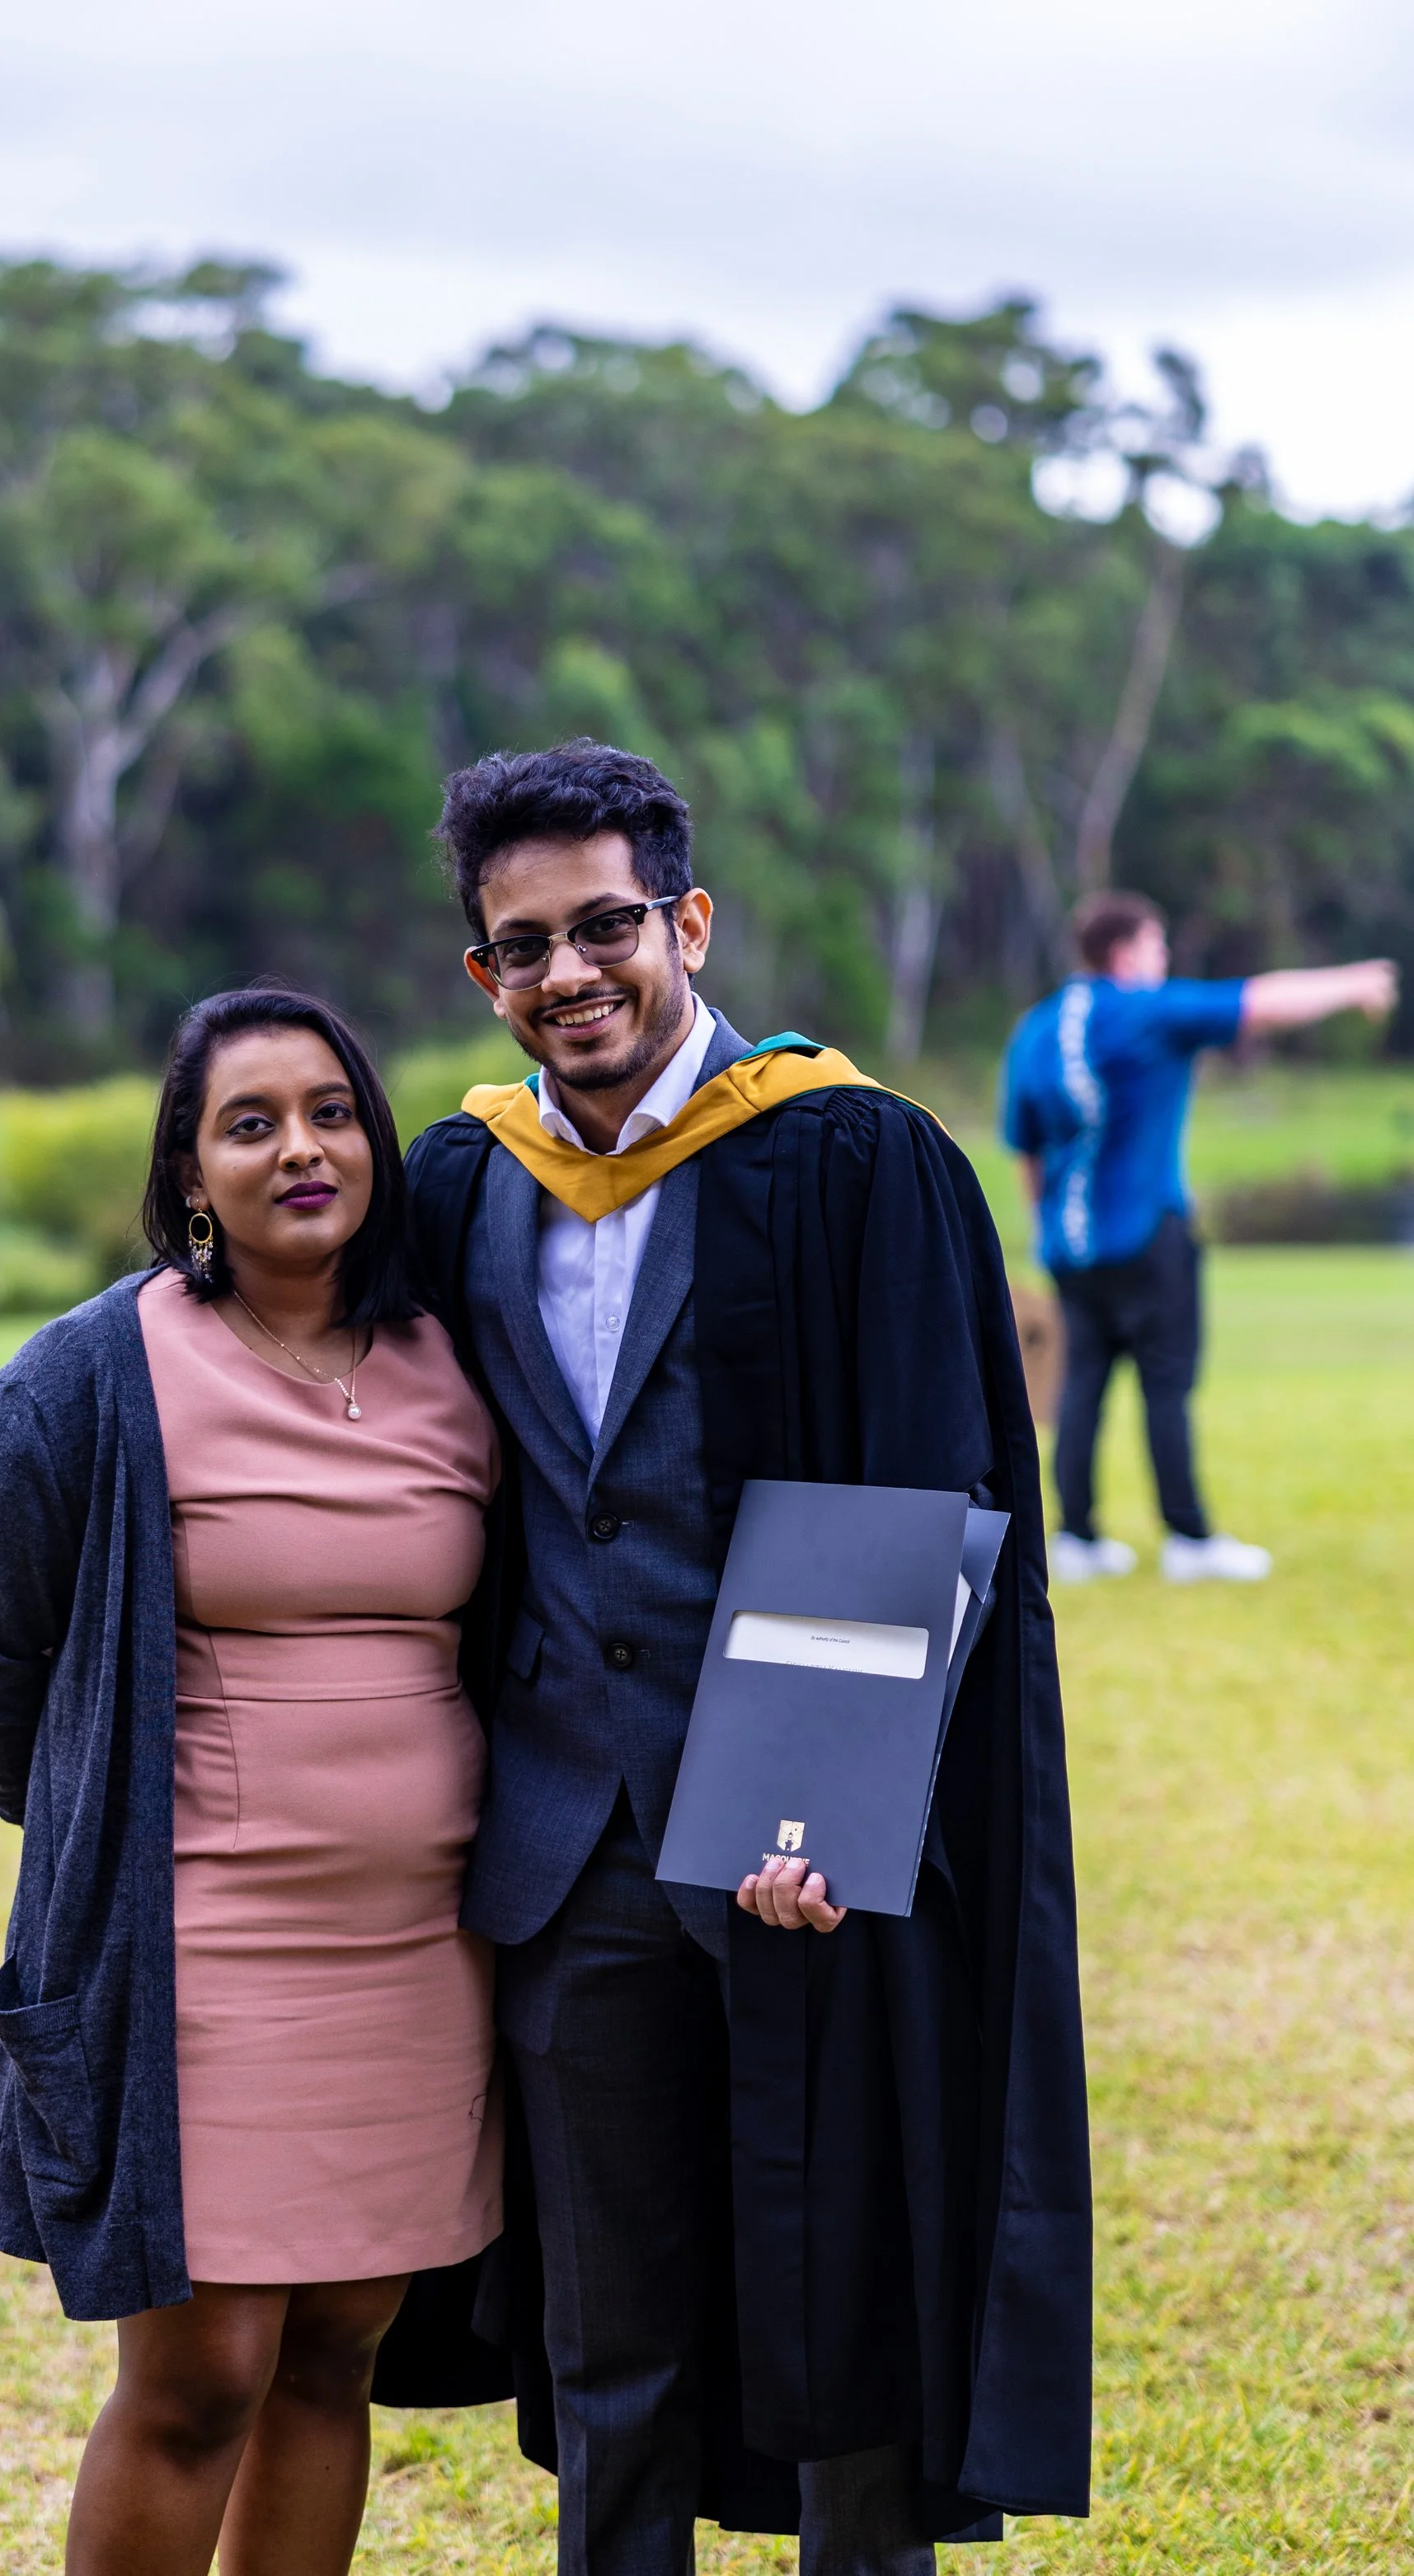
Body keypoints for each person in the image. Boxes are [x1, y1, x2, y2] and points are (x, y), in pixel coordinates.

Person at [404, 741, 1090, 2573]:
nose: (569, 972)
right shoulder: (464, 1177)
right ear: (482, 972)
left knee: (836, 2307)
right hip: (567, 1849)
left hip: (805, 1853)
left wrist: (819, 1809)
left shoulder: (849, 1154)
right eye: (521, 941)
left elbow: (916, 1484)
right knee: (606, 2332)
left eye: (606, 923)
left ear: (685, 921)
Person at [0, 988, 510, 2576]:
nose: (299, 1149)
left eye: (329, 1112)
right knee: (202, 2374)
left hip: (420, 1952)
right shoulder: (93, 1380)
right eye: (250, 1124)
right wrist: (114, 1835)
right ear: (191, 1170)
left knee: (338, 2352)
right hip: (202, 1955)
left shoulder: (457, 1361)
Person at [1001, 890, 1397, 1584]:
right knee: (1166, 1385)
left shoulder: (1035, 1030)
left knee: (1080, 1389)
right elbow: (1262, 1002)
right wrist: (1354, 982)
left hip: (1070, 1247)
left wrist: (1042, 1227)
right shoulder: (1144, 1011)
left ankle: (1077, 1537)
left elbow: (1024, 1148)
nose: (1165, 959)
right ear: (1125, 952)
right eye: (1158, 946)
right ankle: (1189, 1538)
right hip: (1147, 1236)